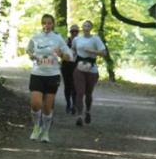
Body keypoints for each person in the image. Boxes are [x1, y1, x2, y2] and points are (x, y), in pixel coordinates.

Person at [26, 13, 73, 143]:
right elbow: (29, 50)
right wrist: (32, 56)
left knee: (47, 106)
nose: (47, 25)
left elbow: (69, 57)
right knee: (36, 104)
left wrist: (61, 54)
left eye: (49, 23)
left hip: (52, 75)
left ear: (53, 24)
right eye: (44, 23)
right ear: (42, 24)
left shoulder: (58, 39)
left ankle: (46, 131)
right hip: (37, 73)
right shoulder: (36, 37)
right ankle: (36, 126)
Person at [71, 20, 108, 126]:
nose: (86, 27)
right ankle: (79, 116)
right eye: (84, 25)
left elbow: (104, 53)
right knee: (80, 92)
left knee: (88, 93)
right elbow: (73, 49)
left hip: (92, 69)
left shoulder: (96, 39)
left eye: (88, 25)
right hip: (79, 68)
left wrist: (92, 51)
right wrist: (70, 56)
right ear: (82, 27)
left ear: (91, 28)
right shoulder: (77, 39)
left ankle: (87, 111)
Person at [60, 24, 79, 114]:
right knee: (67, 86)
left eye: (76, 31)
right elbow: (59, 52)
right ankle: (68, 103)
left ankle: (74, 105)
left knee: (75, 86)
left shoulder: (81, 41)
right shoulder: (65, 41)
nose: (74, 33)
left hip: (76, 66)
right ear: (70, 32)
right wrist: (63, 56)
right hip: (66, 66)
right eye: (72, 31)